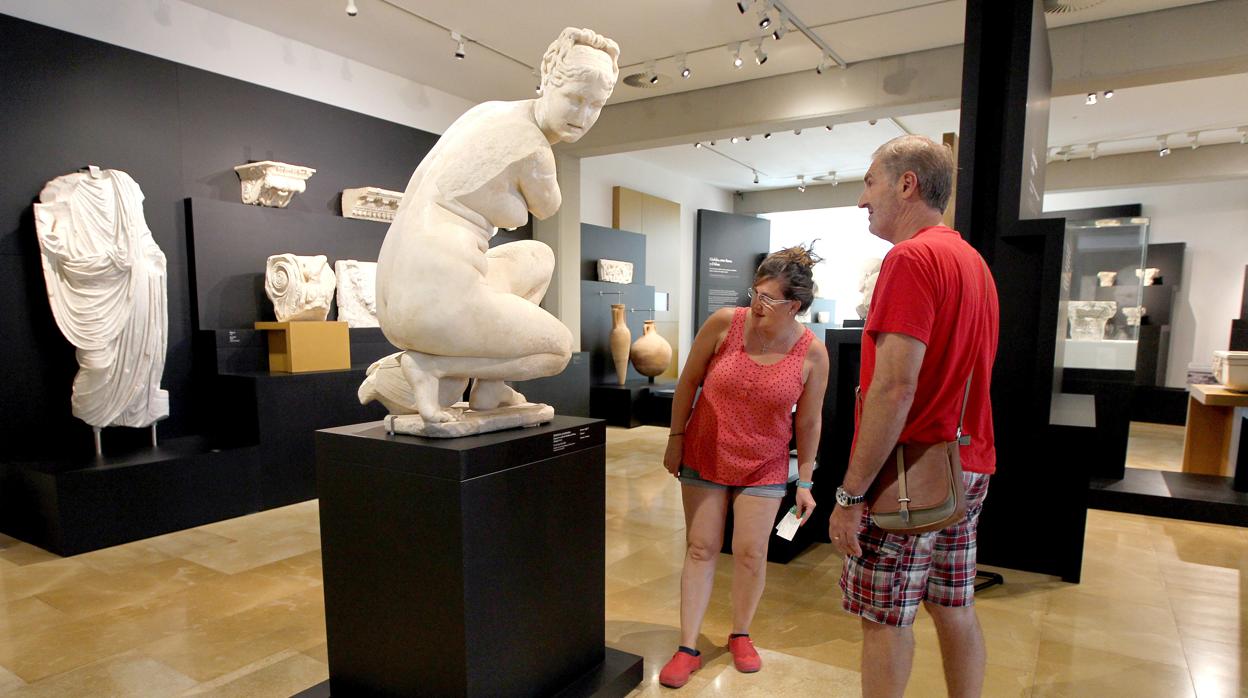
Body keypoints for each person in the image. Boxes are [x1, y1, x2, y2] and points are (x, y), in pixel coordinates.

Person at [372, 28, 619, 422]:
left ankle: (490, 387)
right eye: (574, 98)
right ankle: (432, 368)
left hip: (400, 295)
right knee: (557, 349)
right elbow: (547, 205)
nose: (583, 116)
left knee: (538, 256)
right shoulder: (534, 149)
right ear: (548, 82)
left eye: (596, 105)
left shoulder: (487, 111)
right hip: (434, 302)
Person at [827, 134, 999, 698]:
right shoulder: (972, 262)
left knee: (885, 619)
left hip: (908, 476)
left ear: (907, 184)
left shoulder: (910, 258)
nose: (862, 198)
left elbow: (894, 388)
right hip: (966, 465)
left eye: (870, 181)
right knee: (954, 605)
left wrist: (851, 496)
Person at [658, 247, 830, 688]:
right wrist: (675, 438)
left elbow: (809, 421)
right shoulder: (724, 324)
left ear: (795, 306)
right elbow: (688, 381)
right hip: (705, 453)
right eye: (755, 293)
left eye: (769, 299)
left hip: (766, 464)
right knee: (701, 547)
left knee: (752, 553)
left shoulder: (812, 353)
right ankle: (688, 645)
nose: (757, 305)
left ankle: (740, 633)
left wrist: (806, 480)